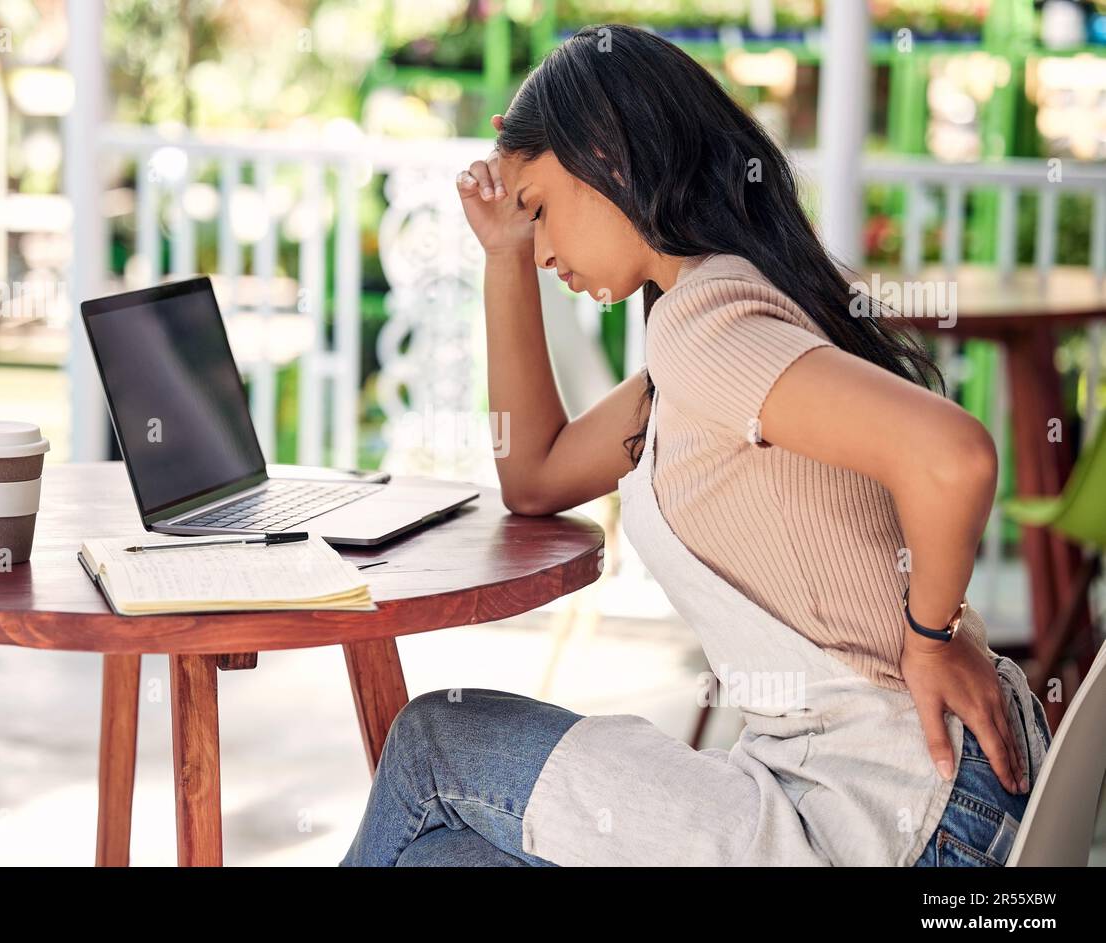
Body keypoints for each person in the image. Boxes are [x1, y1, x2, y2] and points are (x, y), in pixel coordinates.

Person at [340, 23, 1052, 867]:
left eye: (538, 210)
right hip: (924, 798)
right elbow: (534, 475)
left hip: (901, 808)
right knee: (443, 859)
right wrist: (501, 250)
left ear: (608, 157)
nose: (539, 250)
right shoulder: (730, 319)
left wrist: (931, 636)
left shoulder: (703, 331)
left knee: (432, 741)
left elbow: (952, 455)